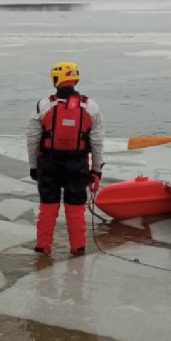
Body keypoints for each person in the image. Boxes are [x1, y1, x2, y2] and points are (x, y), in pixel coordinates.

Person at [25, 62, 105, 256]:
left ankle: (43, 247)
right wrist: (96, 170)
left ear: (56, 79)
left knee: (48, 206)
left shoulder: (43, 105)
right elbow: (97, 141)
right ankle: (78, 247)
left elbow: (32, 137)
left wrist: (33, 166)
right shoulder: (90, 106)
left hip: (49, 163)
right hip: (77, 165)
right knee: (76, 207)